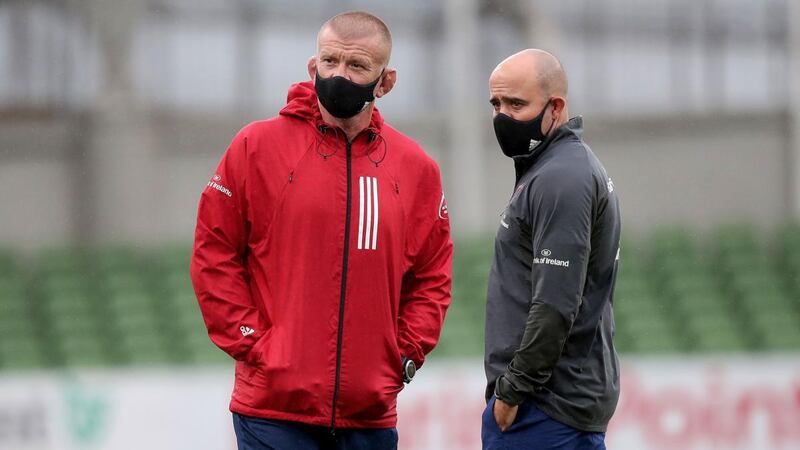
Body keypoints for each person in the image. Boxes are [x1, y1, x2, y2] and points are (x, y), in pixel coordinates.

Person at [189, 11, 452, 450]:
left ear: (385, 82)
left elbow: (431, 276)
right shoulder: (256, 146)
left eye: (357, 67)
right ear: (313, 68)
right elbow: (213, 253)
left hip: (369, 417)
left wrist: (402, 355)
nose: (339, 75)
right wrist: (255, 346)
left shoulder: (416, 168)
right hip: (273, 411)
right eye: (330, 62)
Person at [482, 49, 621, 450]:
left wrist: (511, 394)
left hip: (542, 409)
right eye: (496, 104)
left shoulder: (562, 177)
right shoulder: (554, 168)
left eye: (516, 104)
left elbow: (556, 302)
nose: (502, 116)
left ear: (555, 107)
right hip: (550, 406)